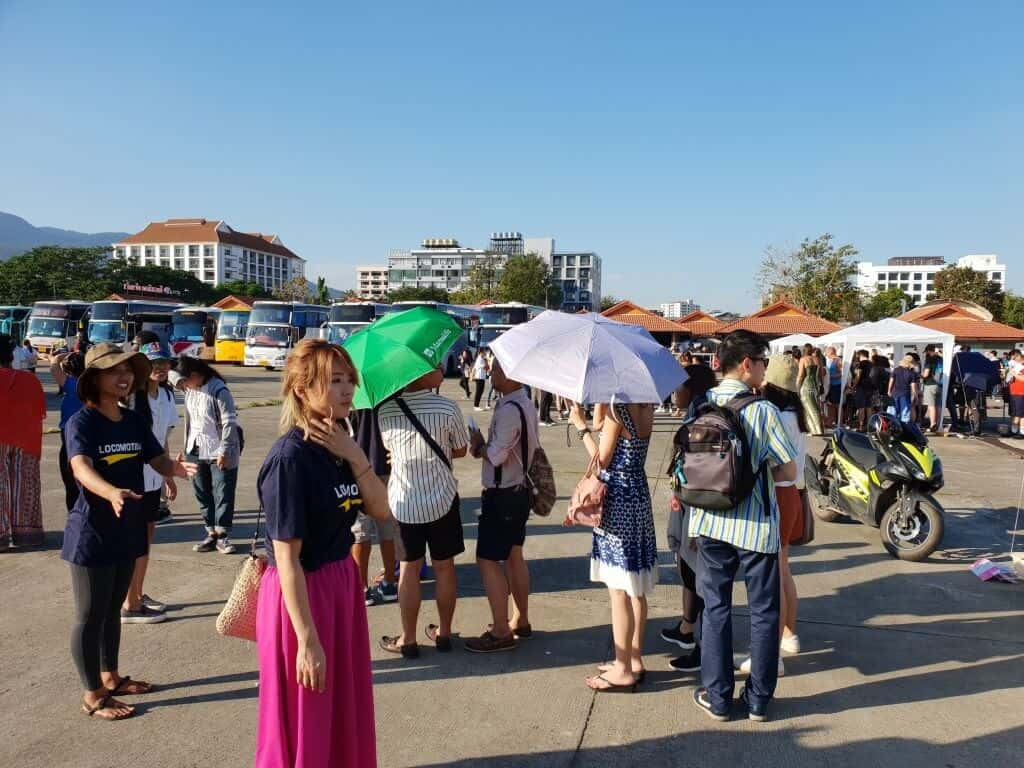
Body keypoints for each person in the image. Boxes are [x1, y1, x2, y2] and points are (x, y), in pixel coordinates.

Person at [255, 339, 387, 767]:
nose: (347, 390)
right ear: (301, 388)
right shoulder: (290, 459)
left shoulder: (339, 446)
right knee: (306, 706)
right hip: (303, 596)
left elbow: (381, 510)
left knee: (342, 701)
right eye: (334, 381)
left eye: (349, 379)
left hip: (341, 583)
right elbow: (287, 558)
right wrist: (307, 640)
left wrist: (355, 456)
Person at [62, 343, 196, 721]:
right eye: (112, 371)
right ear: (93, 380)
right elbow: (80, 467)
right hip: (92, 531)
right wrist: (109, 492)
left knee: (112, 610)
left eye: (126, 370)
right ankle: (92, 693)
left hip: (128, 525)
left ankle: (112, 676)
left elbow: (154, 458)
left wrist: (175, 469)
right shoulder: (82, 422)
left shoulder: (133, 420)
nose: (123, 376)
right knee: (90, 614)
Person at [688, 330, 796, 723]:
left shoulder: (701, 404)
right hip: (755, 529)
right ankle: (757, 701)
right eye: (764, 362)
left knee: (715, 609)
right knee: (764, 613)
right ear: (747, 363)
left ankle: (717, 698)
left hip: (708, 521)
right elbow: (788, 469)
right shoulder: (762, 410)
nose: (765, 370)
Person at [378, 364, 468, 657]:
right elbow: (461, 449)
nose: (441, 368)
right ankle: (443, 633)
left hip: (405, 503)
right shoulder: (448, 408)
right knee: (444, 567)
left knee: (409, 569)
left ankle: (409, 638)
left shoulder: (386, 411)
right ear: (420, 374)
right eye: (435, 365)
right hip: (442, 498)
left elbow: (391, 450)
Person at [568, 397, 657, 693]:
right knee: (636, 588)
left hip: (618, 500)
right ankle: (634, 658)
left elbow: (600, 461)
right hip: (638, 495)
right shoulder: (646, 406)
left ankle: (622, 668)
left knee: (618, 589)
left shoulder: (619, 411)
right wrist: (597, 413)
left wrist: (580, 428)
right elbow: (611, 436)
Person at [736, 354, 808, 676]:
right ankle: (788, 634)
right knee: (783, 569)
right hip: (793, 494)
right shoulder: (797, 416)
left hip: (776, 494)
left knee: (772, 577)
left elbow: (773, 463)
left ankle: (771, 656)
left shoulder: (775, 416)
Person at [465, 359, 539, 652]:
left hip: (504, 493)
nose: (490, 374)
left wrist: (479, 446)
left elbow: (496, 456)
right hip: (518, 491)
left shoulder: (510, 409)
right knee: (514, 556)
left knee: (487, 559)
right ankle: (520, 620)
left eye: (496, 369)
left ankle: (500, 630)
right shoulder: (523, 403)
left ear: (511, 374)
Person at [661, 362, 716, 672]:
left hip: (697, 507)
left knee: (699, 573)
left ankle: (703, 650)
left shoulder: (700, 417)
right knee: (690, 570)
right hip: (691, 503)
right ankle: (686, 629)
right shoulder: (698, 411)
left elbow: (696, 470)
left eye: (678, 386)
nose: (674, 393)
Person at [120, 341, 180, 624]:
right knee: (135, 541)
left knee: (146, 539)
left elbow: (163, 440)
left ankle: (137, 594)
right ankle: (129, 603)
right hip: (132, 479)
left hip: (154, 477)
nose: (160, 367)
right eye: (154, 362)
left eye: (165, 362)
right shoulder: (131, 397)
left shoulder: (167, 396)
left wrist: (169, 476)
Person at [173, 356, 241, 554]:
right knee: (201, 491)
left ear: (195, 375)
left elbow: (230, 423)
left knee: (223, 492)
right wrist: (186, 447)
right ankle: (210, 532)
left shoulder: (219, 390)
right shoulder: (189, 389)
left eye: (185, 380)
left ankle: (222, 535)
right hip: (195, 449)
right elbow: (170, 374)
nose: (182, 385)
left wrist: (225, 451)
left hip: (218, 450)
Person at [349, 400, 400, 606]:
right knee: (387, 528)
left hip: (357, 467)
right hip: (386, 464)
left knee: (360, 531)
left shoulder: (352, 395)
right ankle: (389, 582)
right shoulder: (392, 390)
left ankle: (361, 588)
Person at [0, 334, 46, 549]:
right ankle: (27, 533)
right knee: (25, 481)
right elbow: (40, 412)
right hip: (26, 437)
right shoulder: (30, 379)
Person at [51, 350, 87, 512]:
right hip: (88, 433)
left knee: (71, 481)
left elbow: (53, 368)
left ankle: (74, 513)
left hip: (69, 436)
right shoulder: (90, 384)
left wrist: (58, 357)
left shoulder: (71, 384)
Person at [796, 343, 824, 435]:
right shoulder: (817, 359)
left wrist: (797, 387)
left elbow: (800, 376)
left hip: (806, 385)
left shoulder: (803, 359)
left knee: (810, 408)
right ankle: (813, 429)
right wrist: (821, 385)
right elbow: (821, 375)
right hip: (815, 386)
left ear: (804, 350)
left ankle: (818, 430)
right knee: (813, 406)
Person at [889, 355, 920, 423]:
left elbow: (891, 381)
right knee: (905, 413)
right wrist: (916, 397)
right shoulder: (912, 373)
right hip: (905, 394)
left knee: (893, 412)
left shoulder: (896, 370)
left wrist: (889, 391)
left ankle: (891, 426)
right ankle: (904, 428)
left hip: (894, 393)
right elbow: (913, 386)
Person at [921, 345, 944, 433]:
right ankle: (938, 423)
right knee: (938, 405)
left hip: (930, 384)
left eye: (927, 352)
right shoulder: (941, 359)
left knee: (931, 405)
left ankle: (932, 424)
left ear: (929, 351)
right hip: (940, 384)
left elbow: (926, 374)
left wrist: (920, 375)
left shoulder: (929, 361)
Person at [851, 350, 875, 431]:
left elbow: (858, 376)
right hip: (870, 387)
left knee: (861, 407)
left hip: (862, 387)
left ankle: (861, 426)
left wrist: (853, 386)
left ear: (861, 355)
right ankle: (869, 425)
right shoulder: (872, 364)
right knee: (868, 407)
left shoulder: (861, 364)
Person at [1006, 350, 1024, 439]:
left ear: (1017, 356)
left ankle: (1021, 432)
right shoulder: (1015, 366)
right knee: (1014, 413)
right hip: (1013, 392)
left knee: (1020, 413)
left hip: (1021, 392)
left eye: (1013, 358)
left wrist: (1014, 374)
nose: (1012, 360)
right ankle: (1014, 430)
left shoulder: (1022, 366)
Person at [824, 346, 843, 428]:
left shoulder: (837, 360)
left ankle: (840, 422)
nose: (826, 354)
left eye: (826, 352)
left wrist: (830, 376)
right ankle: (831, 421)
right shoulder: (830, 360)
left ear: (830, 352)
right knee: (830, 404)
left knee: (838, 405)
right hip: (830, 385)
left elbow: (842, 373)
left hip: (836, 385)